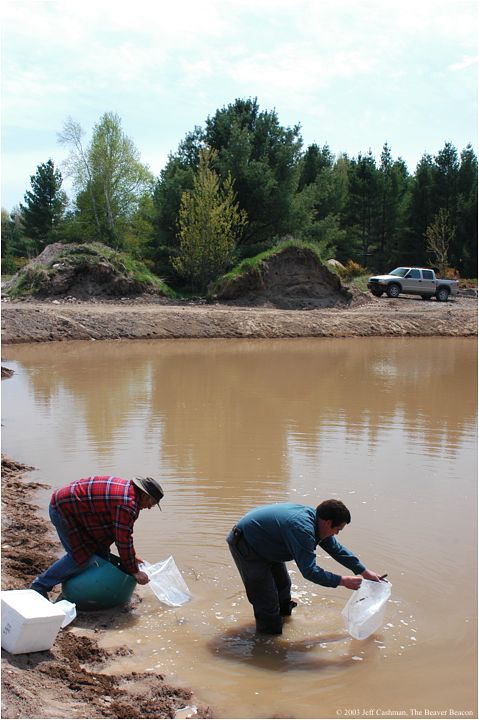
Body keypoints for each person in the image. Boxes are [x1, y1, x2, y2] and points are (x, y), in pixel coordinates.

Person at [227, 499, 383, 634]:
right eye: (338, 529)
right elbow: (309, 571)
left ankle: (283, 621)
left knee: (283, 586)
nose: (337, 533)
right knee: (266, 599)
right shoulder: (302, 528)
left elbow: (337, 550)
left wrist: (364, 571)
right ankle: (268, 644)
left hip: (268, 542)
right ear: (328, 522)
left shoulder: (318, 524)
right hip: (247, 545)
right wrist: (342, 581)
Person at [30, 475, 164, 599]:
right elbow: (123, 540)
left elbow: (123, 533)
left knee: (101, 551)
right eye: (152, 503)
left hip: (80, 511)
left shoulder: (129, 492)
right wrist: (135, 571)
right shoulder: (127, 504)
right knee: (79, 557)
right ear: (146, 495)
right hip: (63, 510)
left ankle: (95, 585)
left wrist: (131, 557)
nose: (150, 508)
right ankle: (40, 586)